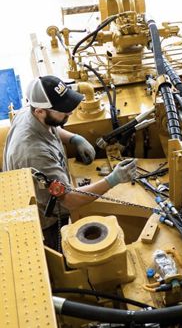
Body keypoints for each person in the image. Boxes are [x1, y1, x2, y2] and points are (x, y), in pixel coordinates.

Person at [3, 75, 137, 249]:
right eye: (63, 109)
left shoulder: (29, 113)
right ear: (40, 111)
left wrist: (74, 138)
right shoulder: (34, 153)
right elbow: (70, 200)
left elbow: (50, 126)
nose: (70, 112)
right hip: (47, 222)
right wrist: (113, 179)